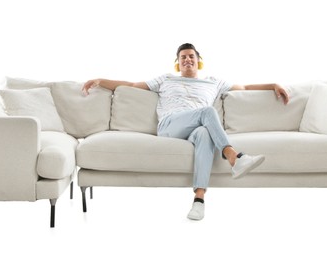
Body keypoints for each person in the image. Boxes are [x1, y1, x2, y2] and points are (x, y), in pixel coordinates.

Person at [82, 43, 289, 221]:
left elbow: (243, 88)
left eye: (191, 56)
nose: (187, 60)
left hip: (196, 129)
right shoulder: (165, 79)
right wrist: (100, 80)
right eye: (183, 58)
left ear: (199, 61)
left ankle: (199, 200)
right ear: (177, 63)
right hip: (170, 125)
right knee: (207, 112)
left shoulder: (213, 82)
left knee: (204, 134)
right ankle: (234, 157)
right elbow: (131, 85)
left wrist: (273, 85)